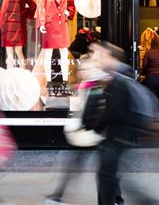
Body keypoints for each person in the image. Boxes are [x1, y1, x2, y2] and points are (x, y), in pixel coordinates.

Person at [85, 41, 159, 205]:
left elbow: (113, 112)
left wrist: (95, 126)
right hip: (120, 138)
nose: (95, 58)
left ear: (109, 56)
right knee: (113, 180)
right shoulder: (117, 76)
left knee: (112, 182)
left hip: (117, 139)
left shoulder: (117, 79)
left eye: (98, 54)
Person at [45, 52, 107, 205]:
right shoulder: (89, 85)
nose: (81, 73)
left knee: (104, 170)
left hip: (92, 133)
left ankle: (57, 196)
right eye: (82, 70)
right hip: (89, 134)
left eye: (85, 70)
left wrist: (86, 127)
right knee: (78, 166)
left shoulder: (96, 86)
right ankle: (57, 196)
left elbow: (93, 112)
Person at [141, 38, 159, 109]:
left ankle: (153, 113)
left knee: (152, 96)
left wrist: (146, 72)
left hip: (151, 77)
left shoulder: (148, 52)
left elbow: (144, 65)